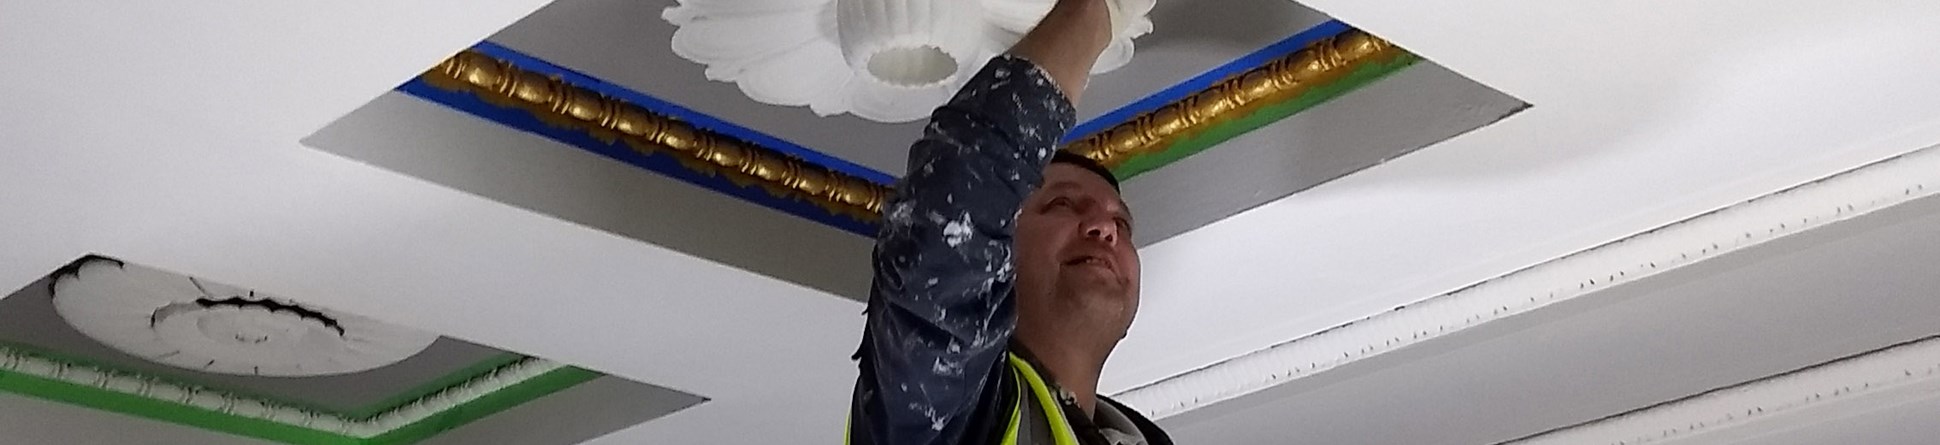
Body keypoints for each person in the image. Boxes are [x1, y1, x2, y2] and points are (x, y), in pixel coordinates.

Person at [847, 0, 1171, 443]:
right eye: (1062, 204)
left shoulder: (940, 420)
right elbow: (958, 207)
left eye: (1122, 223)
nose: (1106, 228)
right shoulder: (962, 407)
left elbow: (953, 216)